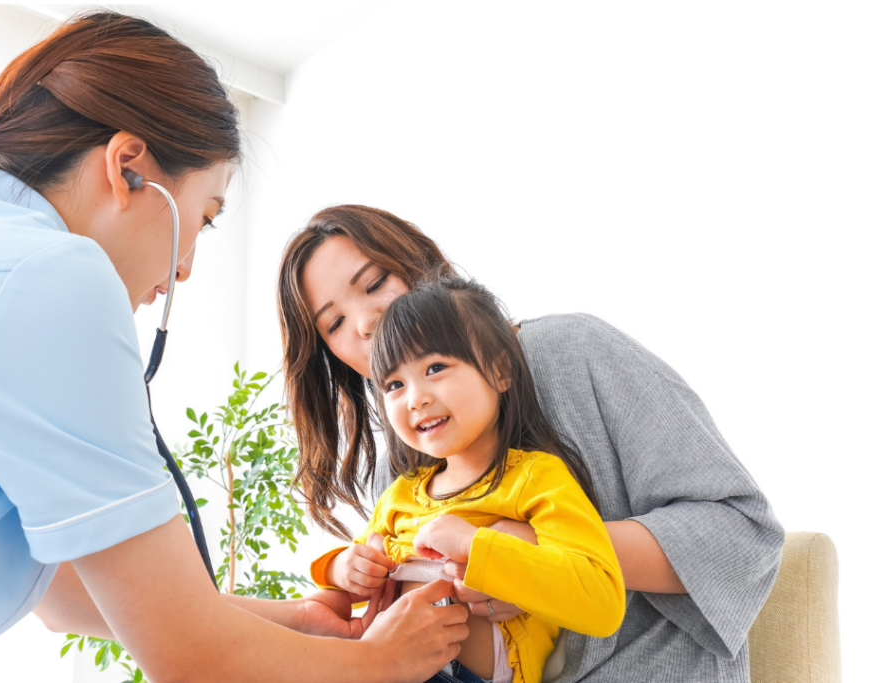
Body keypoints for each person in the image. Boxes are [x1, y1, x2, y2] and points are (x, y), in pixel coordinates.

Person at [0, 14, 469, 683]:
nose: (182, 272)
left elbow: (63, 592)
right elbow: (190, 657)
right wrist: (382, 662)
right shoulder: (49, 277)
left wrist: (299, 618)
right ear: (127, 169)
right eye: (204, 218)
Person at [277, 205, 785, 683]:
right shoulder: (405, 469)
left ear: (422, 268)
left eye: (374, 283)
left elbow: (742, 535)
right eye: (335, 324)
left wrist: (524, 554)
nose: (365, 323)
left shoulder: (573, 352)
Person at [313, 277, 626, 683]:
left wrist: (476, 547)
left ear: (498, 371)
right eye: (394, 384)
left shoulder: (536, 478)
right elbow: (356, 583)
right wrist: (341, 568)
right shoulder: (400, 495)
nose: (415, 398)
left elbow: (602, 603)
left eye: (436, 367)